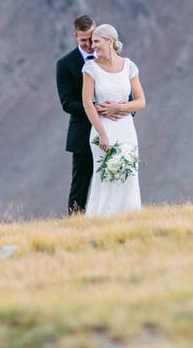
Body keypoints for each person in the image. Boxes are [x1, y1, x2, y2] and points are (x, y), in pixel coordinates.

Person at [81, 23, 145, 215]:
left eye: (97, 41)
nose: (93, 46)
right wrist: (102, 134)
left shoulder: (129, 66)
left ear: (110, 41)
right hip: (103, 130)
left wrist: (120, 107)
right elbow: (87, 103)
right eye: (92, 42)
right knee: (105, 175)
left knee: (129, 174)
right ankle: (102, 217)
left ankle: (129, 216)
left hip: (126, 129)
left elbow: (141, 101)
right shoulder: (90, 68)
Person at [56, 14, 98, 214]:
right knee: (80, 185)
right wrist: (94, 108)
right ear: (75, 37)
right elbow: (67, 103)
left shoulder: (108, 57)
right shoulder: (65, 64)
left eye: (92, 39)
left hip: (113, 129)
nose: (89, 44)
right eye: (84, 40)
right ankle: (75, 224)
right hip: (82, 134)